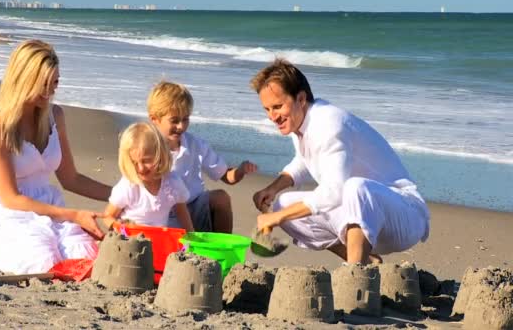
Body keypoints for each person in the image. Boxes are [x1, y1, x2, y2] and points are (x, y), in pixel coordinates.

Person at [251, 59, 430, 265]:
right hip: (362, 212)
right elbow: (303, 161)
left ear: (301, 99)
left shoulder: (329, 124)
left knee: (354, 187)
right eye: (267, 109)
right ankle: (367, 260)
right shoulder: (299, 121)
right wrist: (273, 189)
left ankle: (354, 273)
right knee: (284, 204)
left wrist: (277, 218)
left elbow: (333, 192)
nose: (272, 117)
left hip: (405, 216)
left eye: (277, 107)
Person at [0, 39, 112, 275]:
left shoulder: (55, 116)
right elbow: (11, 198)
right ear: (23, 79)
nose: (50, 91)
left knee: (87, 254)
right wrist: (75, 215)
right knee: (42, 262)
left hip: (49, 206)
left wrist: (121, 197)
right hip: (6, 213)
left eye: (55, 82)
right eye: (43, 84)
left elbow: (71, 178)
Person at [147, 81, 257, 233]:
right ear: (155, 119)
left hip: (193, 210)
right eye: (174, 120)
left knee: (221, 198)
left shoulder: (195, 145)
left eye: (185, 119)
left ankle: (221, 249)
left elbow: (226, 175)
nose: (181, 126)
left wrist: (241, 170)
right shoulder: (146, 148)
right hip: (159, 217)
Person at [102, 122, 194, 232]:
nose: (141, 168)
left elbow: (181, 211)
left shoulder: (172, 183)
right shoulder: (129, 186)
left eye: (146, 161)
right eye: (134, 162)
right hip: (130, 240)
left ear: (160, 155)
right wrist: (119, 226)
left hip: (158, 239)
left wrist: (191, 234)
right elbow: (107, 216)